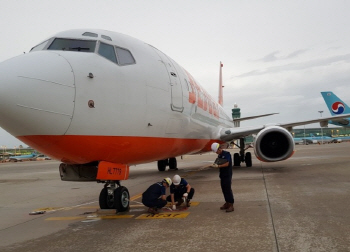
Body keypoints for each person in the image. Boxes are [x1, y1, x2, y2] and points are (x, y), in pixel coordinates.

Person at [210, 142, 234, 212]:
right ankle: (227, 202)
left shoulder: (227, 154)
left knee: (228, 189)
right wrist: (213, 165)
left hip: (227, 175)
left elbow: (227, 163)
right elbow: (217, 163)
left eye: (216, 151)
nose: (216, 153)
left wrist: (218, 166)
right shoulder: (219, 156)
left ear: (219, 149)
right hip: (222, 175)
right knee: (224, 189)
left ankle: (231, 204)